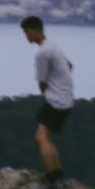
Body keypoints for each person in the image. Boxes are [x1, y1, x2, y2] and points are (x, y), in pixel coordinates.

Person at [21, 15, 75, 180]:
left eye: (26, 33)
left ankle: (52, 175)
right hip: (66, 99)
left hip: (55, 101)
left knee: (41, 137)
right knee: (46, 135)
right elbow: (70, 65)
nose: (26, 37)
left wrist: (47, 91)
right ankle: (57, 171)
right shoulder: (53, 47)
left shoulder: (42, 54)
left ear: (33, 31)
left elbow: (42, 82)